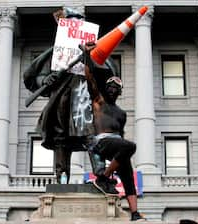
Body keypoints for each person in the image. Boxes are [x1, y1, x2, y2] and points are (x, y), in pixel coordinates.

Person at [23, 7, 118, 183]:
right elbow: (35, 77)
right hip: (61, 97)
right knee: (61, 136)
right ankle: (62, 175)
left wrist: (90, 57)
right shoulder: (55, 53)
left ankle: (100, 172)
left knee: (91, 133)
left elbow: (109, 76)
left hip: (84, 96)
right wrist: (46, 80)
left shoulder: (95, 52)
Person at [83, 43, 145, 221]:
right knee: (130, 146)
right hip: (101, 142)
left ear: (119, 92)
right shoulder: (98, 100)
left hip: (117, 145)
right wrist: (87, 54)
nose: (111, 89)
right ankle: (103, 177)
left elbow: (122, 136)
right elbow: (89, 78)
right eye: (109, 86)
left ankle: (134, 213)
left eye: (115, 88)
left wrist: (123, 156)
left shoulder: (121, 113)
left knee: (127, 174)